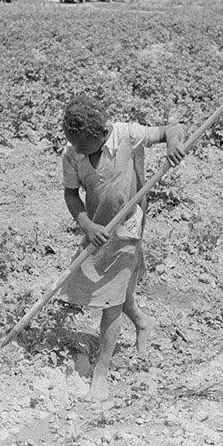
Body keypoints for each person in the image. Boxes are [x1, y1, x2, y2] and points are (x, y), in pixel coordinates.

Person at [58, 94, 185, 401]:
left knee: (111, 301)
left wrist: (173, 145)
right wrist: (87, 225)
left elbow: (171, 128)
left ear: (103, 133)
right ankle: (143, 323)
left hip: (127, 229)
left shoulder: (127, 134)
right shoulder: (73, 153)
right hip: (98, 230)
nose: (77, 151)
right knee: (102, 289)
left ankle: (100, 373)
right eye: (73, 144)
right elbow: (71, 195)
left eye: (83, 147)